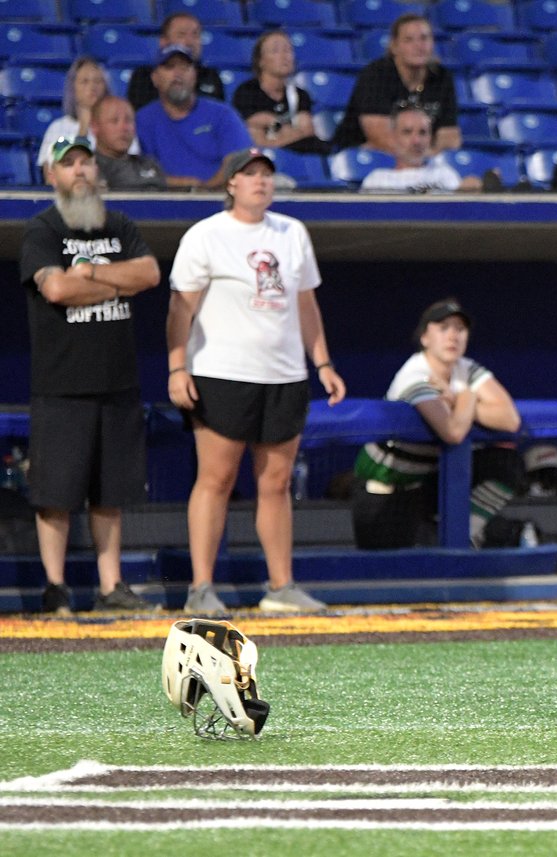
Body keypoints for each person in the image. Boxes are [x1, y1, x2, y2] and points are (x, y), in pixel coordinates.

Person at [166, 148, 346, 614]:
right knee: (217, 477)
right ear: (230, 184)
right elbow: (179, 307)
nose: (261, 182)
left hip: (284, 373)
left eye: (267, 175)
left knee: (277, 480)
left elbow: (306, 305)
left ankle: (281, 586)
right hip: (222, 372)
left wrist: (322, 363)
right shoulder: (206, 235)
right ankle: (201, 587)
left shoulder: (293, 233)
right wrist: (177, 366)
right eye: (250, 175)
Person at [19, 136, 162, 614]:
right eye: (69, 164)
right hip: (61, 384)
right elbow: (56, 289)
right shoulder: (43, 228)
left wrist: (90, 277)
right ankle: (56, 588)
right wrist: (105, 280)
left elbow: (148, 275)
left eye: (86, 162)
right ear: (51, 175)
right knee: (55, 494)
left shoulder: (119, 224)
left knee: (110, 492)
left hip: (117, 380)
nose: (79, 171)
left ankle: (110, 587)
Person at [351, 298, 525, 550]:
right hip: (384, 485)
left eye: (460, 329)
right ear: (425, 338)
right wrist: (467, 396)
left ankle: (465, 533)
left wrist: (457, 399)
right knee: (384, 576)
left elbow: (510, 420)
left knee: (506, 463)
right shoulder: (414, 374)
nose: (453, 336)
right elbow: (453, 432)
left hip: (427, 483)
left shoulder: (465, 368)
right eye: (443, 328)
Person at [333, 14, 461, 154]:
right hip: (365, 157)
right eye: (409, 40)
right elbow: (380, 137)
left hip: (422, 159)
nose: (419, 46)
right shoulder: (376, 75)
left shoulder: (442, 77)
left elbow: (449, 136)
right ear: (394, 46)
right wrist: (421, 158)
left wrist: (428, 158)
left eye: (424, 38)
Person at [136, 44, 253, 189]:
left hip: (222, 198)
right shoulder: (142, 120)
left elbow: (238, 161)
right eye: (170, 67)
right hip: (162, 202)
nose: (178, 74)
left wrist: (205, 190)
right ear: (155, 78)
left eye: (185, 67)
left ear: (195, 76)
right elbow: (138, 173)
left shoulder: (222, 114)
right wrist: (187, 187)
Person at [233, 30, 330, 155]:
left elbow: (307, 132)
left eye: (288, 50)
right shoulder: (246, 92)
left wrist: (275, 132)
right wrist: (288, 131)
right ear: (260, 61)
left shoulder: (300, 94)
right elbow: (255, 140)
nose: (285, 56)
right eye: (275, 51)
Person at [359, 106, 481, 193]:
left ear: (430, 138)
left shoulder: (444, 174)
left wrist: (467, 190)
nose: (416, 141)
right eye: (407, 132)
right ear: (394, 137)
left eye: (422, 133)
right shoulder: (377, 180)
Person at [36, 57, 116, 182]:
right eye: (85, 81)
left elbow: (129, 167)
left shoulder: (118, 124)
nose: (92, 87)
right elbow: (50, 177)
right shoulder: (57, 128)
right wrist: (83, 128)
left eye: (98, 81)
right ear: (73, 87)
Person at [125, 12, 225, 111]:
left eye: (195, 35)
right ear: (163, 41)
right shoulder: (143, 77)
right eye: (181, 35)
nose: (190, 42)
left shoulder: (211, 76)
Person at [91, 95, 167, 191]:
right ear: (95, 127)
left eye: (129, 120)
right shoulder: (87, 169)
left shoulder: (150, 165)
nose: (124, 128)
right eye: (114, 121)